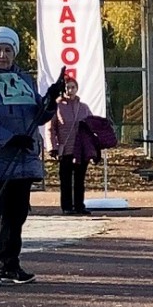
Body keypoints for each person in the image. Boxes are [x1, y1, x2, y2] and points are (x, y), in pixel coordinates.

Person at [0, 26, 62, 287]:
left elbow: (38, 115)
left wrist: (50, 100)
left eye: (8, 49)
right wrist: (7, 139)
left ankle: (9, 264)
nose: (3, 54)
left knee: (16, 215)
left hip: (22, 161)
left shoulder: (23, 80)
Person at [48, 75, 94, 215]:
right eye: (68, 87)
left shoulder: (84, 107)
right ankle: (67, 206)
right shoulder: (57, 106)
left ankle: (79, 205)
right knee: (66, 180)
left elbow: (92, 126)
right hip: (65, 149)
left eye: (73, 87)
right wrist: (53, 147)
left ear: (77, 89)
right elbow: (51, 128)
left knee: (79, 180)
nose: (70, 90)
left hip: (81, 149)